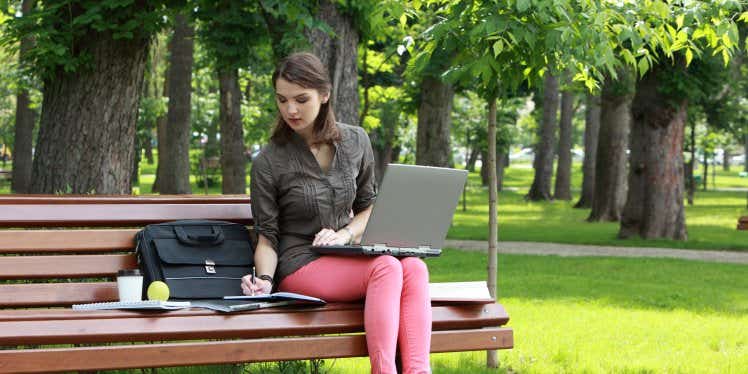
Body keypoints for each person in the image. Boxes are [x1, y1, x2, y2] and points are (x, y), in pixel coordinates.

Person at [244, 52, 432, 374]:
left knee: (413, 267)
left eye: (301, 99)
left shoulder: (356, 140)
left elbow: (370, 207)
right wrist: (264, 280)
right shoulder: (269, 161)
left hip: (346, 255)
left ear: (325, 94)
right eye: (282, 100)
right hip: (299, 262)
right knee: (386, 267)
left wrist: (345, 234)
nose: (290, 109)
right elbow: (268, 237)